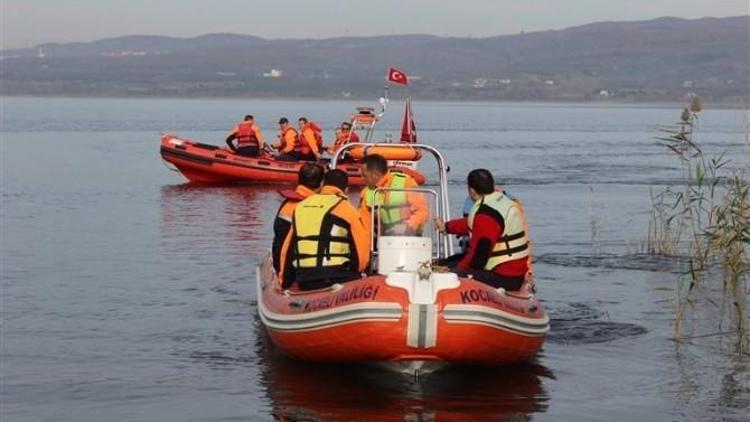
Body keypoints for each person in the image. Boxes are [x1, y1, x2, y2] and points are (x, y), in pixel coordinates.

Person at [433, 169, 530, 291]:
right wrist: (447, 227)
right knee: (447, 262)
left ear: (471, 190)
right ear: (492, 186)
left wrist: (457, 271)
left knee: (449, 272)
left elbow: (478, 258)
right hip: (513, 271)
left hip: (505, 276)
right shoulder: (501, 201)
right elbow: (474, 224)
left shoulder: (486, 214)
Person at [279, 169, 370, 290]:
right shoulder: (347, 209)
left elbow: (287, 250)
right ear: (346, 190)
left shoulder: (301, 207)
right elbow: (361, 254)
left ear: (322, 185)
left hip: (306, 279)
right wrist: (358, 272)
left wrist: (285, 282)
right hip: (338, 277)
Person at [272, 163, 325, 273]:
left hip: (283, 265)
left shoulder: (286, 204)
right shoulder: (318, 206)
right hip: (304, 270)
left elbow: (279, 241)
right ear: (321, 184)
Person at [359, 154, 428, 236]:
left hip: (411, 236)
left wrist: (407, 226)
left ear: (375, 174)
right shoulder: (366, 193)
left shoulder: (406, 182)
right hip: (385, 239)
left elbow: (422, 211)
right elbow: (364, 224)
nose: (362, 178)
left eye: (364, 175)